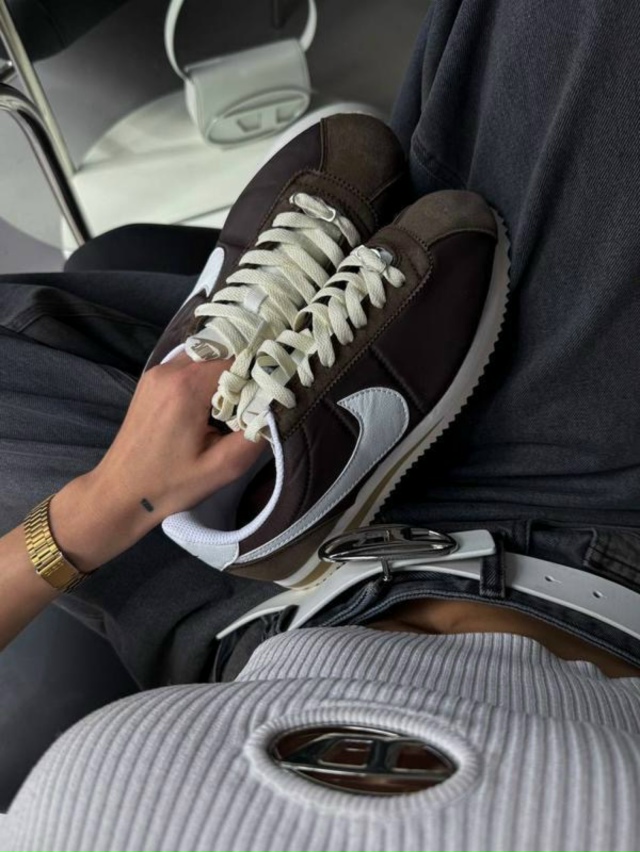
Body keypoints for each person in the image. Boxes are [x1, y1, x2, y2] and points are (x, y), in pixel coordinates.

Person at [2, 0, 640, 849]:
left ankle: (252, 486)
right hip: (575, 554)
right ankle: (289, 430)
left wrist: (115, 500)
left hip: (231, 606)